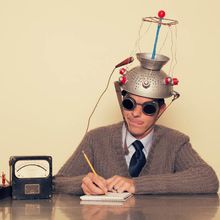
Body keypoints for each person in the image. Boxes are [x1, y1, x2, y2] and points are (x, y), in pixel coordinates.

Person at [53, 53, 219, 195]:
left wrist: (137, 185)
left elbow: (208, 179)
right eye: (129, 104)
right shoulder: (96, 139)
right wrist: (82, 183)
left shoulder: (175, 141)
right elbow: (57, 182)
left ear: (161, 110)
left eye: (148, 108)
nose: (135, 113)